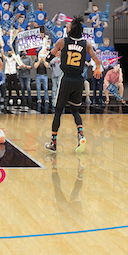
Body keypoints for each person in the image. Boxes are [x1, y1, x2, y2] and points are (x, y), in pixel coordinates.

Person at [45, 17, 103, 162]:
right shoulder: (86, 44)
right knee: (75, 110)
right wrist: (97, 68)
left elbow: (49, 56)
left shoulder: (62, 42)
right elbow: (97, 60)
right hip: (79, 80)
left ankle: (53, 142)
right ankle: (81, 134)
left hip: (66, 79)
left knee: (58, 111)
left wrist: (52, 54)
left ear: (70, 30)